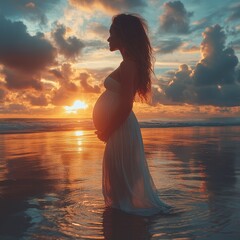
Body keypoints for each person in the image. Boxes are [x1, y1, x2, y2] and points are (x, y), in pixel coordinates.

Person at [92, 13, 171, 216]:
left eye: (111, 34)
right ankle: (125, 222)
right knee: (121, 182)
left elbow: (127, 104)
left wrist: (107, 130)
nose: (108, 39)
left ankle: (125, 227)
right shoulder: (128, 63)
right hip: (120, 128)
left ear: (123, 35)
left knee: (122, 183)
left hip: (120, 128)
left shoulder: (129, 65)